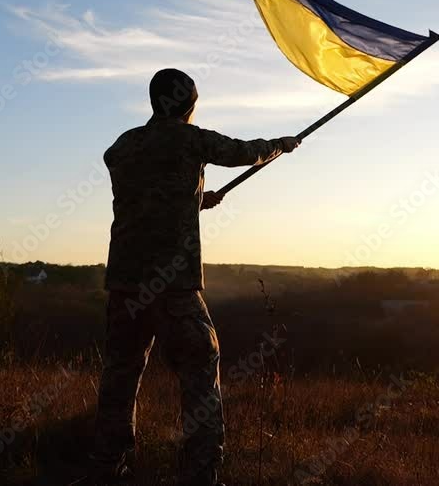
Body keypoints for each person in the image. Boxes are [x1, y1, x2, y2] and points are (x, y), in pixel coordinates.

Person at [91, 68, 300, 486]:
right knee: (201, 371)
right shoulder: (192, 139)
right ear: (186, 102)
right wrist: (281, 145)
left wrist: (196, 199)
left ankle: (108, 467)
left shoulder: (122, 147)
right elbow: (244, 151)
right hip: (173, 286)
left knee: (120, 373)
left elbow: (148, 200)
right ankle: (200, 473)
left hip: (124, 284)